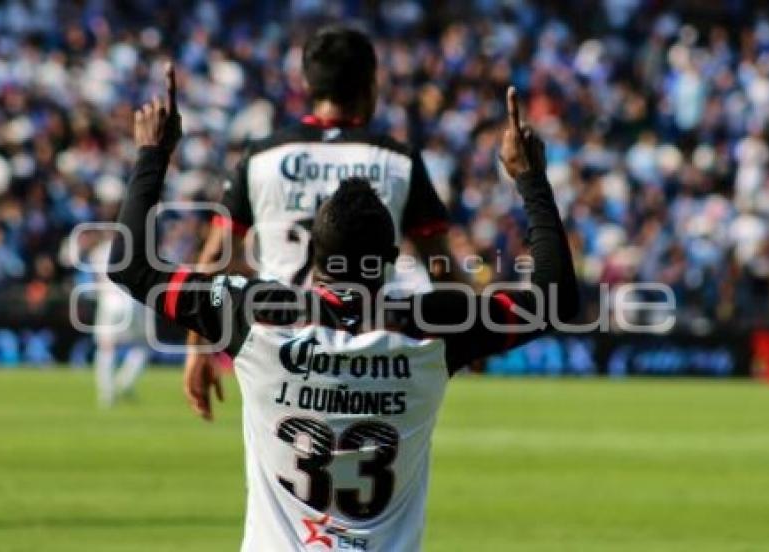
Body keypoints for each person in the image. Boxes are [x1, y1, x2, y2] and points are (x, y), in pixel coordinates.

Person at [108, 64, 578, 551]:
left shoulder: (255, 314)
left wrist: (153, 154)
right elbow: (557, 298)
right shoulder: (435, 325)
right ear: (390, 261)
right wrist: (530, 179)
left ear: (314, 258)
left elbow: (130, 266)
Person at [184, 25, 468, 419]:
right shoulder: (398, 161)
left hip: (279, 353)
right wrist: (468, 336)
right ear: (371, 84)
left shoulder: (261, 158)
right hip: (369, 358)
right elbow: (440, 265)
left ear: (306, 83)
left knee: (279, 475)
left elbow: (214, 256)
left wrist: (198, 349)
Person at [89, 234, 150, 407]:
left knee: (105, 348)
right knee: (142, 346)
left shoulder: (98, 251)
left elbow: (97, 278)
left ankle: (106, 394)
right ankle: (125, 381)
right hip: (131, 301)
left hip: (109, 301)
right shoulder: (135, 248)